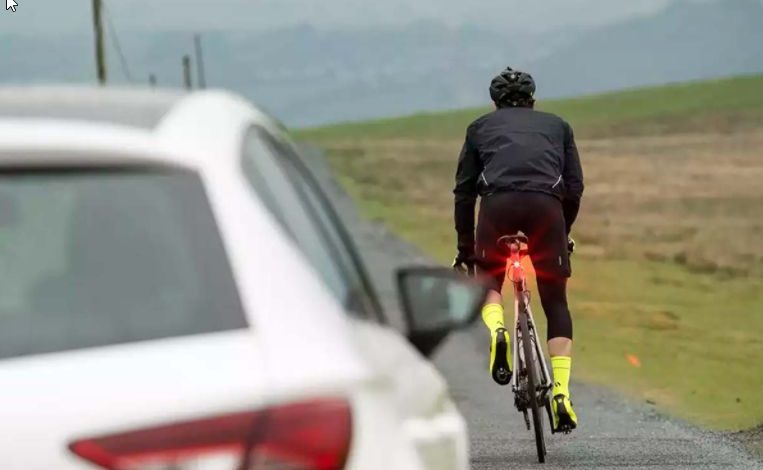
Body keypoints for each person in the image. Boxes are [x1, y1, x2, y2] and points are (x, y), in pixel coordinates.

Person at [451, 66, 584, 432]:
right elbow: (574, 187)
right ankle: (560, 393)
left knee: (489, 281)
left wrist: (466, 248)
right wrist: (562, 232)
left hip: (498, 208)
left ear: (495, 104)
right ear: (533, 100)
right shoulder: (559, 126)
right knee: (556, 303)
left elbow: (464, 192)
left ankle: (498, 333)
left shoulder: (479, 128)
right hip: (546, 212)